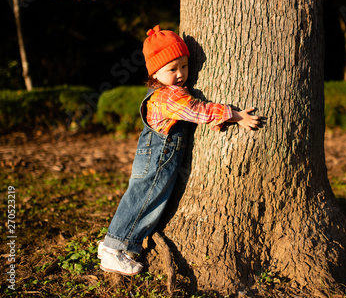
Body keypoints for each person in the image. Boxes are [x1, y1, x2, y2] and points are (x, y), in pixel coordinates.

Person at [97, 25, 261, 275]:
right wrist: (234, 115)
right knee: (144, 199)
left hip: (156, 156)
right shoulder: (168, 98)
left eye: (183, 66)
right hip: (157, 159)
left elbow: (190, 115)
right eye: (171, 69)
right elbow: (198, 110)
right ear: (155, 72)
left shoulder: (170, 93)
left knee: (146, 198)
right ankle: (113, 248)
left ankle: (113, 245)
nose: (180, 74)